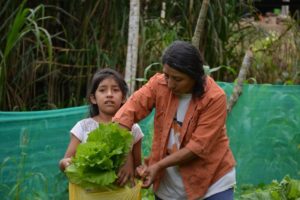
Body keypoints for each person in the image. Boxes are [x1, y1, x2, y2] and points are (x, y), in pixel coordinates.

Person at [113, 41, 236, 200]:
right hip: (168, 186)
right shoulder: (159, 84)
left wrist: (158, 165)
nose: (170, 83)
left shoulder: (214, 97)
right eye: (167, 75)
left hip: (211, 180)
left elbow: (197, 147)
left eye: (177, 79)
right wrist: (125, 157)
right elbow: (126, 113)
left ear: (195, 76)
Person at [59, 68, 144, 186]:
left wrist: (140, 171)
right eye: (102, 90)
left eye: (115, 90)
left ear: (124, 98)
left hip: (122, 194)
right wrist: (65, 164)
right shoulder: (83, 127)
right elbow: (65, 162)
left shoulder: (133, 128)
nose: (109, 95)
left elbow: (137, 166)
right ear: (93, 98)